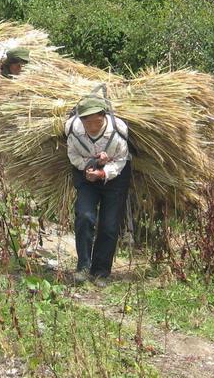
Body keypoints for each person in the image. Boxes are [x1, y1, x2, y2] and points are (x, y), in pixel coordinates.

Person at [65, 95, 131, 285]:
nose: (93, 126)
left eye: (97, 121)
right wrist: (90, 165)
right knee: (84, 217)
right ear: (81, 120)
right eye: (88, 122)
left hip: (116, 177)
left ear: (104, 116)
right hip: (85, 175)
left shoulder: (118, 130)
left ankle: (101, 272)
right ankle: (83, 267)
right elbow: (73, 154)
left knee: (109, 225)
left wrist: (103, 173)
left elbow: (121, 159)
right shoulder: (73, 129)